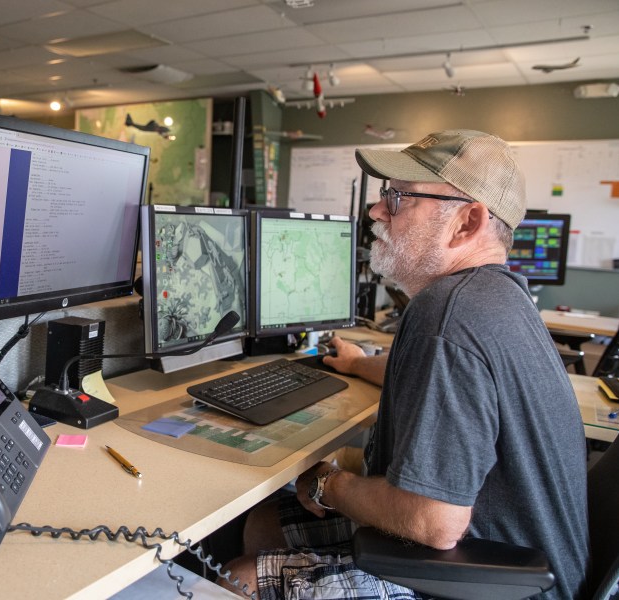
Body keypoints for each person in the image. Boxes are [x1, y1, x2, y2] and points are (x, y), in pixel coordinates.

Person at [222, 130, 589, 599]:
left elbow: (433, 521)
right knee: (265, 522)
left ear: (466, 221)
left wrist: (329, 485)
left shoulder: (448, 316)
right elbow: (453, 384)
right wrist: (357, 364)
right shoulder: (498, 297)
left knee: (239, 577)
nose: (376, 211)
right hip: (529, 559)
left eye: (397, 198)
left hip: (492, 580)